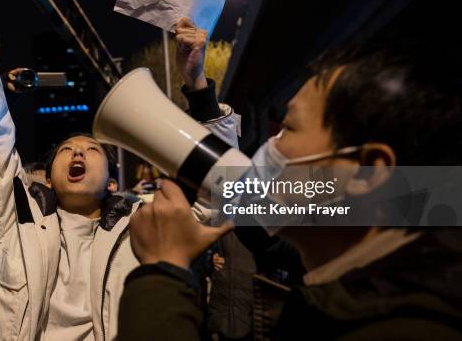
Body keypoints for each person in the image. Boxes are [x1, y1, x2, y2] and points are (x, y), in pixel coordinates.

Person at [0, 0, 239, 340]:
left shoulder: (144, 229)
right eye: (66, 150)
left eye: (91, 150)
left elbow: (220, 193)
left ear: (113, 183)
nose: (78, 153)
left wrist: (198, 86)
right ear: (47, 178)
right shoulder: (9, 224)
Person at [118, 43, 462, 340]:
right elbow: (247, 203)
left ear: (366, 172)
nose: (270, 145)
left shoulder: (405, 331)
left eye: (288, 129)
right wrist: (199, 93)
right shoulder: (373, 279)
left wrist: (163, 271)